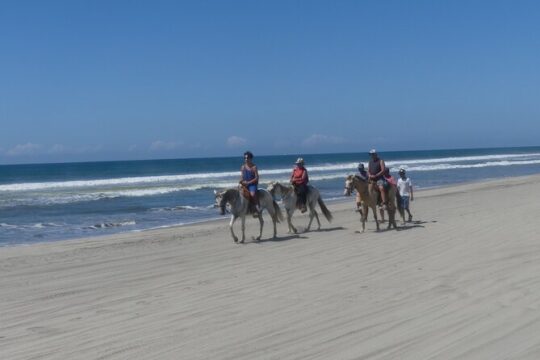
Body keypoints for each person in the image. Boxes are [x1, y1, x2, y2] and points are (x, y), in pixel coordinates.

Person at [240, 151, 260, 216]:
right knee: (239, 193)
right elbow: (242, 177)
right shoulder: (243, 167)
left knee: (252, 194)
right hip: (245, 184)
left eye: (247, 158)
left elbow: (256, 178)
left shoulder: (254, 167)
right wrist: (242, 181)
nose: (246, 159)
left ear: (250, 159)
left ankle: (256, 208)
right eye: (245, 158)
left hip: (252, 184)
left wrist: (248, 182)